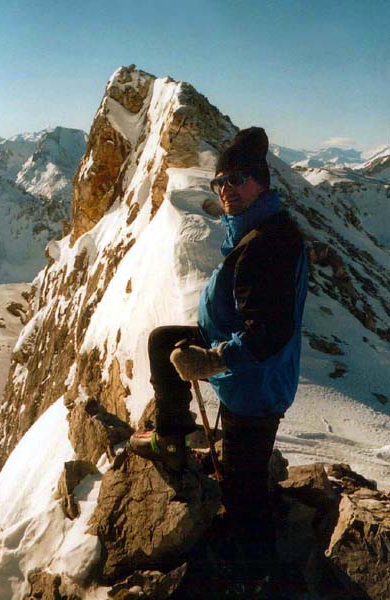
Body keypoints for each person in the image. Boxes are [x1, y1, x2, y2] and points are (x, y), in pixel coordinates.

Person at [130, 126, 308, 588]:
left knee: (241, 487)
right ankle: (172, 437)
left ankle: (261, 575)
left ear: (261, 182)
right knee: (163, 340)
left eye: (238, 179)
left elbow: (270, 333)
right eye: (220, 181)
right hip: (242, 366)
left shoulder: (266, 245)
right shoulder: (261, 229)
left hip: (256, 383)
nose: (226, 189)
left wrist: (211, 361)